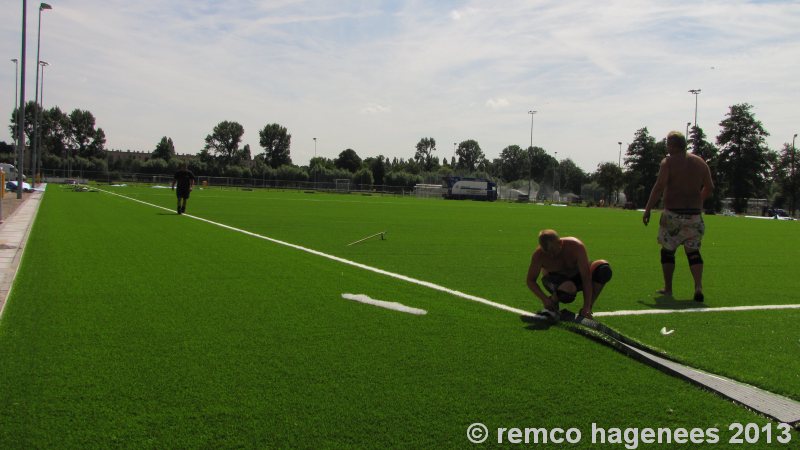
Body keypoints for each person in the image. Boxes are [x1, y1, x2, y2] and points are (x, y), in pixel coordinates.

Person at [642, 131, 714, 301]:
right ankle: (698, 286)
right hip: (694, 216)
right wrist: (699, 200)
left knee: (667, 252)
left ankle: (668, 288)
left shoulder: (668, 162)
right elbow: (710, 187)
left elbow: (659, 187)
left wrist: (648, 209)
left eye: (668, 143)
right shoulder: (700, 163)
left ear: (672, 145)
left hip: (673, 215)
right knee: (693, 252)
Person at [525, 229, 613, 321]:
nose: (552, 256)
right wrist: (544, 299)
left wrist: (586, 306)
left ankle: (587, 309)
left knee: (603, 269)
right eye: (547, 253)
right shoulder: (538, 255)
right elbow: (530, 280)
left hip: (576, 276)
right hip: (555, 281)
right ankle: (553, 302)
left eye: (554, 251)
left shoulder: (576, 246)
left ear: (560, 243)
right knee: (568, 288)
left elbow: (586, 278)